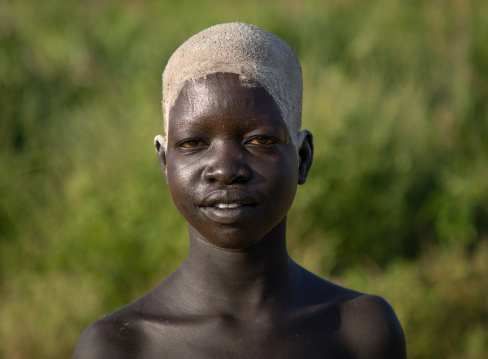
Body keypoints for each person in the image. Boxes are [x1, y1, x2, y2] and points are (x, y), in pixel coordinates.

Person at [73, 22, 406, 359]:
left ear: (303, 158)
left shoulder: (360, 331)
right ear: (164, 162)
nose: (225, 169)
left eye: (260, 140)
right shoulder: (121, 346)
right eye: (193, 143)